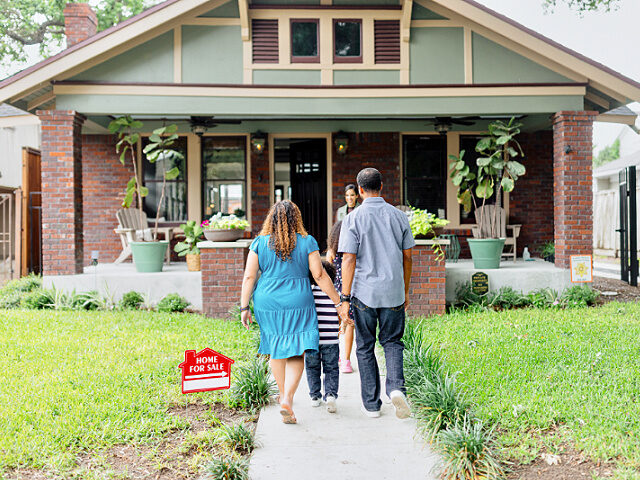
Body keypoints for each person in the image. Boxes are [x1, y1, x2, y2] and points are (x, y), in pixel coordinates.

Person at [240, 200, 343, 425]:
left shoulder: (259, 243)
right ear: (296, 218)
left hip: (268, 301)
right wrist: (338, 301)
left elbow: (249, 276)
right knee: (298, 351)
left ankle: (283, 395)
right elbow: (319, 275)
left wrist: (244, 306)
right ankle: (287, 397)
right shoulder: (307, 242)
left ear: (271, 219)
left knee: (276, 348)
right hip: (298, 299)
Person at [336, 168, 414, 419]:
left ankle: (371, 404)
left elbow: (348, 259)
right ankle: (395, 389)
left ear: (359, 191)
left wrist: (344, 298)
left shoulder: (353, 218)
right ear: (381, 186)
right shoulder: (399, 216)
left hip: (363, 294)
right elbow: (408, 256)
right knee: (392, 342)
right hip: (393, 291)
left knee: (365, 346)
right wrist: (405, 289)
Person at [304, 260, 340, 413]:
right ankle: (330, 395)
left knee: (312, 368)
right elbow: (339, 315)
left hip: (312, 339)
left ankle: (315, 396)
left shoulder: (308, 292)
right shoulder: (333, 293)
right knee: (331, 368)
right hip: (331, 338)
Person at [326, 220, 356, 374]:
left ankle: (337, 355)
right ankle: (346, 360)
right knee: (350, 323)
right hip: (350, 290)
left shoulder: (332, 251)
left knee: (336, 323)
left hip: (336, 292)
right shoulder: (352, 249)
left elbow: (328, 272)